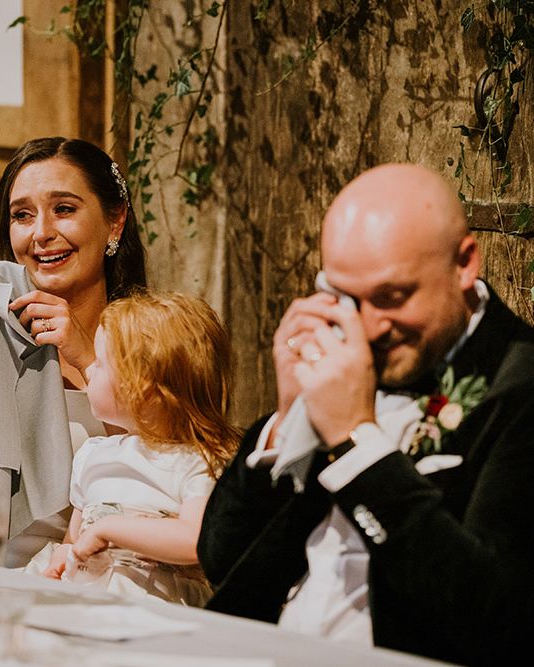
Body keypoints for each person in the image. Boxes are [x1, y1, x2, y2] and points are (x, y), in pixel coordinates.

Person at [197, 163, 534, 665]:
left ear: (464, 263)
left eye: (391, 297)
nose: (369, 327)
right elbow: (220, 557)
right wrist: (286, 419)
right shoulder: (351, 360)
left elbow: (494, 622)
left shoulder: (520, 388)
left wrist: (356, 445)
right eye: (347, 297)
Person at [0, 137, 147, 566]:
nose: (41, 233)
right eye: (22, 215)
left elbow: (170, 465)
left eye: (64, 209)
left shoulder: (146, 339)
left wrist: (86, 357)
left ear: (115, 222)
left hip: (105, 578)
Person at [26, 291, 240, 606]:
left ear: (145, 391)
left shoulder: (195, 461)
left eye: (100, 362)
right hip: (86, 591)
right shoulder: (94, 454)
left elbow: (195, 540)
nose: (90, 369)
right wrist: (63, 555)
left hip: (149, 599)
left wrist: (110, 529)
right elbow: (74, 536)